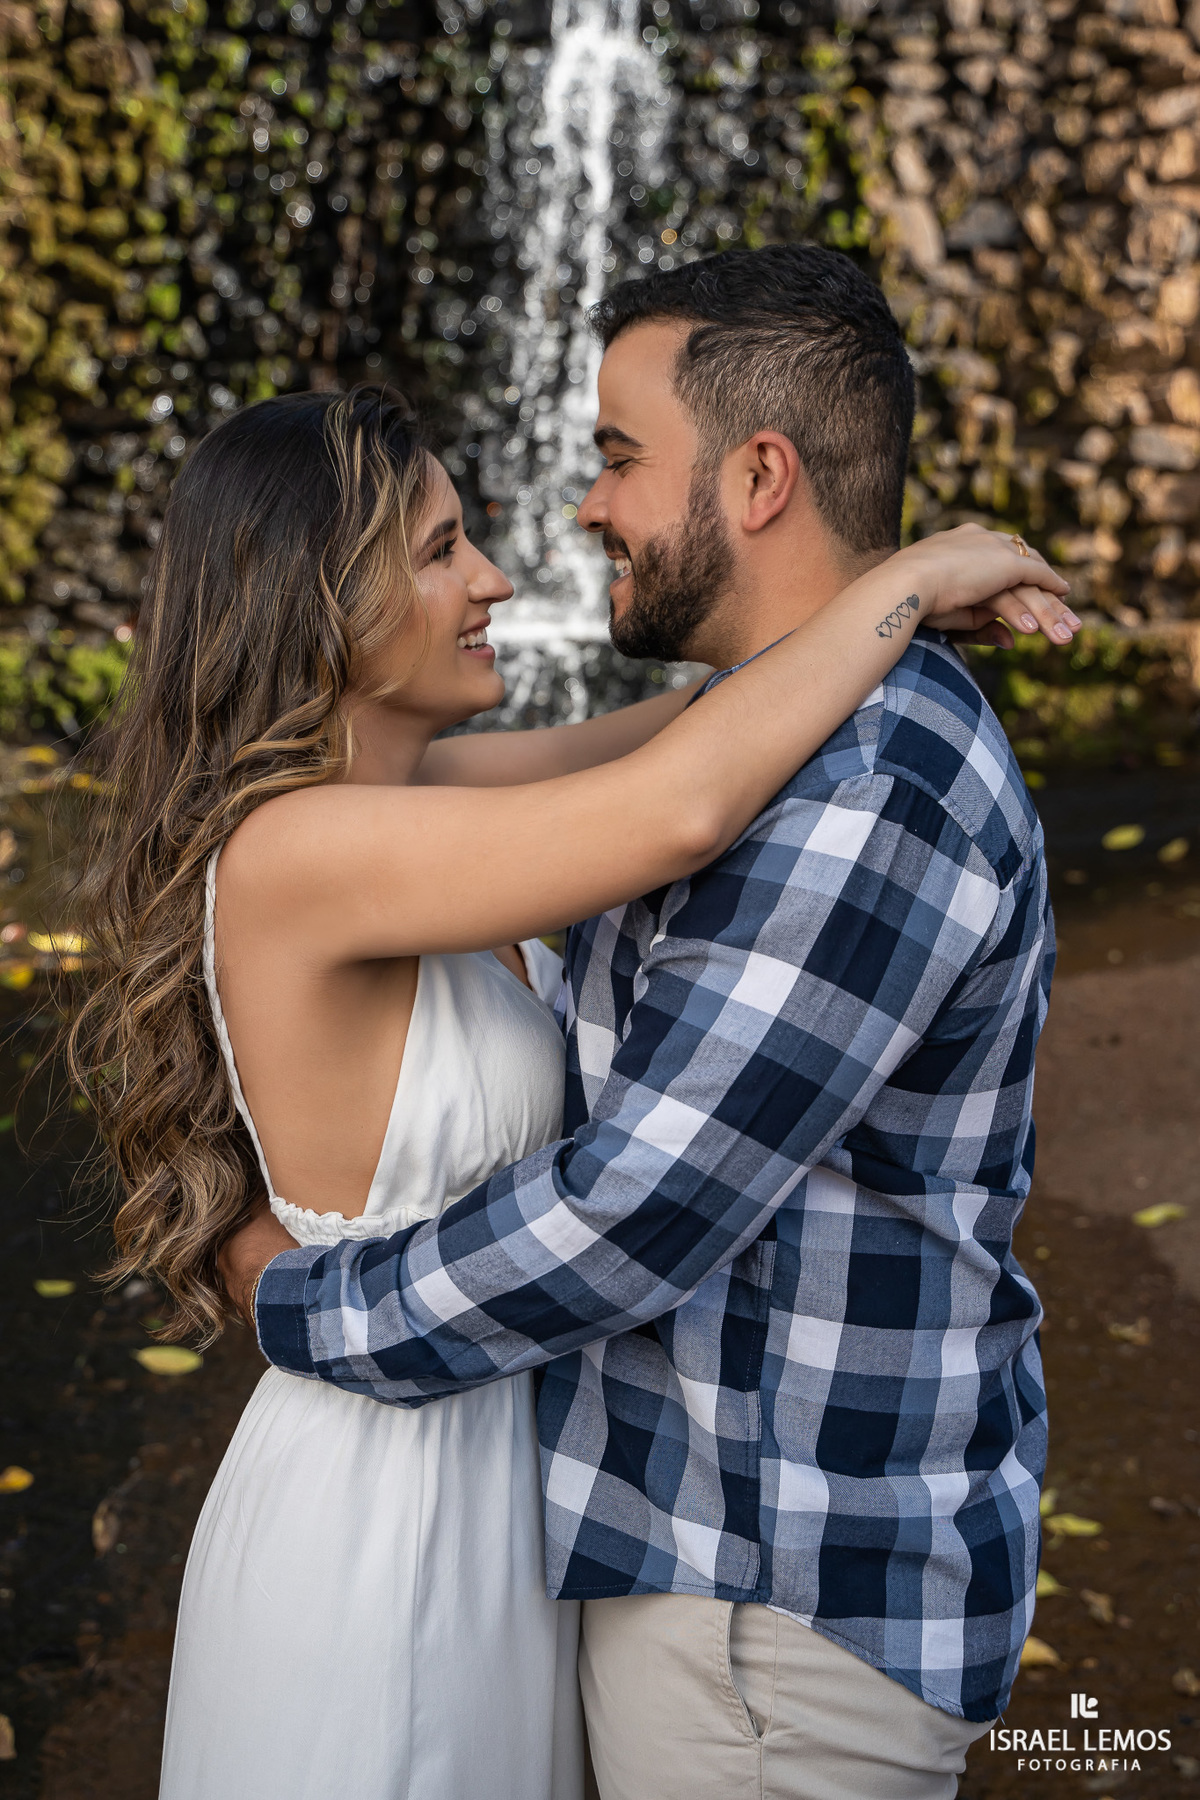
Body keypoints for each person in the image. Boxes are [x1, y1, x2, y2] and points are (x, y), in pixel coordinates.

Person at [215, 248, 1073, 1799]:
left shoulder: (858, 774)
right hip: (559, 1534)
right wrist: (897, 586)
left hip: (762, 1600)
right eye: (441, 548)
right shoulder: (335, 830)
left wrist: (301, 1308)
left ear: (759, 477)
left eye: (617, 458)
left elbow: (633, 1208)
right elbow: (675, 791)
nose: (560, 528)